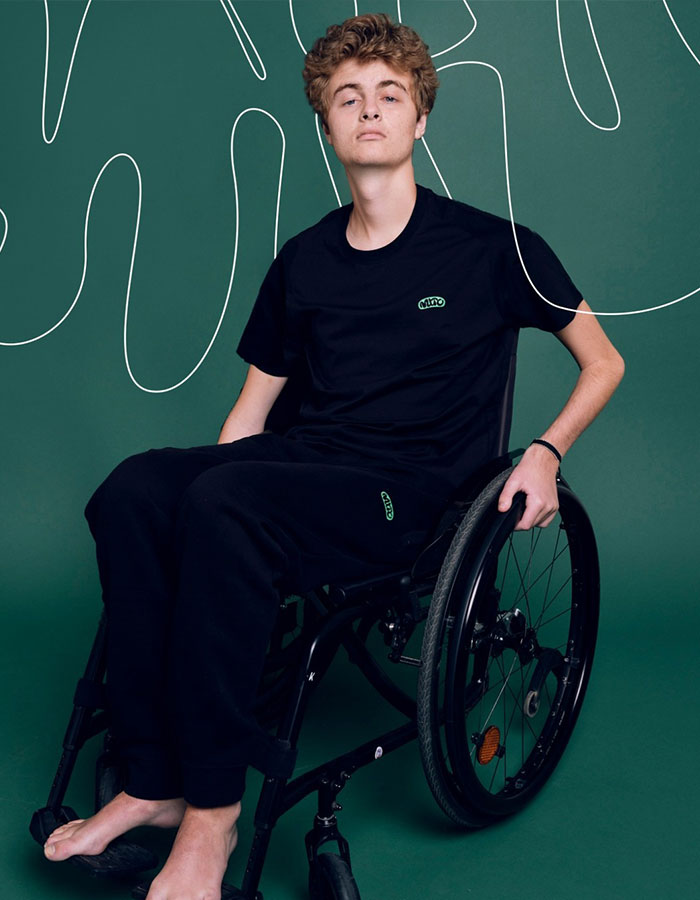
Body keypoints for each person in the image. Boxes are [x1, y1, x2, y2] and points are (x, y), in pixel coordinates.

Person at [41, 12, 624, 900]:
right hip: (305, 468)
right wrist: (204, 483)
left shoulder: (492, 246)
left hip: (416, 496)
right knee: (136, 491)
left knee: (222, 507)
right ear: (326, 125)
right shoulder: (303, 260)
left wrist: (544, 450)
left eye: (389, 95)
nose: (369, 111)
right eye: (347, 98)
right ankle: (153, 781)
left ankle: (213, 816)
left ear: (420, 117)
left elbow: (604, 360)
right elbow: (250, 416)